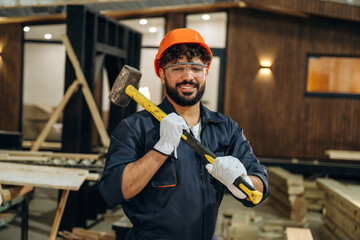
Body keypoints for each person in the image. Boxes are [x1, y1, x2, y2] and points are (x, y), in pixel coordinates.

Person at [99, 28, 269, 240]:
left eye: (196, 68)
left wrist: (245, 183)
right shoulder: (135, 128)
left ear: (206, 72)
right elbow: (112, 191)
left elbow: (261, 185)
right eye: (178, 68)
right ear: (162, 74)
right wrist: (161, 149)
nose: (188, 77)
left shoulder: (225, 128)